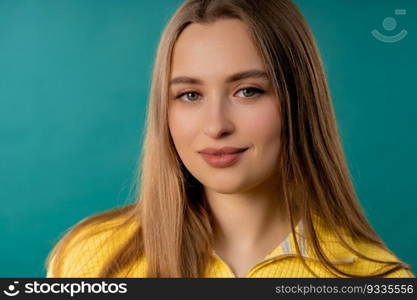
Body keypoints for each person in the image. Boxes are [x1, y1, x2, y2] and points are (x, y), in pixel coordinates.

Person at [45, 0, 414, 278]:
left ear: (299, 102)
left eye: (248, 91)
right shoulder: (89, 257)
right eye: (190, 95)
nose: (216, 125)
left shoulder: (377, 278)